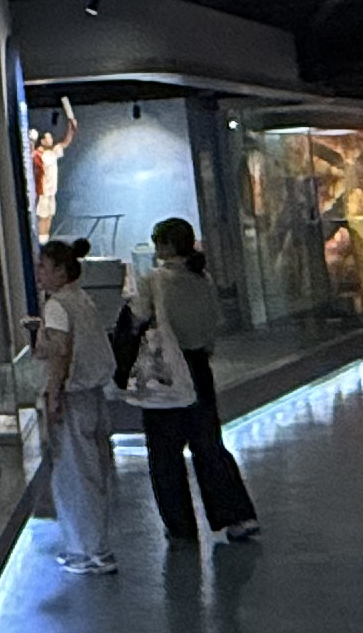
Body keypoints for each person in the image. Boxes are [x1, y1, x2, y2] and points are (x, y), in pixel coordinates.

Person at [134, 217, 259, 545]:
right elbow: (213, 321)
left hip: (166, 371)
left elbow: (137, 318)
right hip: (199, 366)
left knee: (165, 452)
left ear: (166, 245)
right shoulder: (202, 277)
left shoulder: (153, 280)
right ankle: (236, 516)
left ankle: (181, 527)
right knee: (208, 444)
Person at [29, 240, 119, 577]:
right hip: (93, 394)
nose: (39, 273)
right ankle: (96, 545)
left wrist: (54, 395)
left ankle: (85, 549)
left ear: (60, 270)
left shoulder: (57, 306)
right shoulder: (82, 299)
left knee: (75, 474)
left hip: (73, 396)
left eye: (44, 266)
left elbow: (60, 353)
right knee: (93, 470)